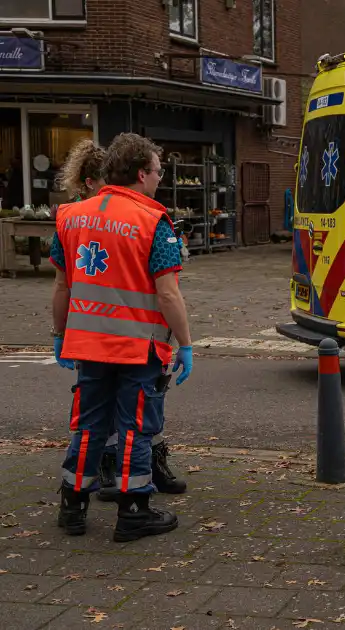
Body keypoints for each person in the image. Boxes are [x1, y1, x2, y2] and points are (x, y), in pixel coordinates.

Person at [49, 132, 194, 542]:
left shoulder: (70, 217)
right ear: (141, 173)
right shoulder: (154, 222)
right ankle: (134, 512)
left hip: (87, 346)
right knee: (133, 429)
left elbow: (62, 287)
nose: (160, 180)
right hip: (137, 346)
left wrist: (60, 335)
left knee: (89, 424)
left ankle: (72, 506)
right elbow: (168, 293)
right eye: (158, 172)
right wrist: (185, 344)